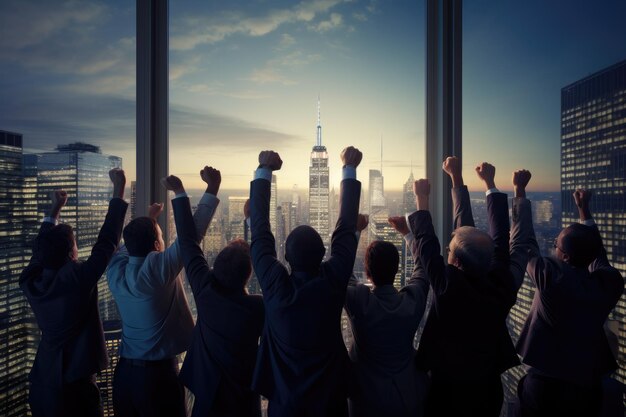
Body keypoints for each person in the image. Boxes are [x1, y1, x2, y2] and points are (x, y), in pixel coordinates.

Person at [411, 158, 534, 417]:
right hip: (485, 387)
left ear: (454, 261)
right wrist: (454, 184)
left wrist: (426, 196)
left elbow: (426, 243)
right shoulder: (500, 285)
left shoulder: (448, 287)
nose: (446, 251)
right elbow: (500, 237)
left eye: (449, 251)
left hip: (446, 389)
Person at [249, 148, 362, 417]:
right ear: (323, 255)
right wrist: (349, 167)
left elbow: (260, 234)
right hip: (330, 403)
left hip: (284, 404)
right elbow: (346, 232)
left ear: (285, 257)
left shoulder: (277, 286)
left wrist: (264, 169)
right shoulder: (332, 283)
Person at [106, 167, 220, 417]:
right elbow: (192, 236)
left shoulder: (115, 269)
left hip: (124, 376)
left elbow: (132, 245)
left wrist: (151, 221)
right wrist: (201, 188)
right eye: (160, 238)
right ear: (158, 245)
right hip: (157, 378)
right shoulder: (156, 271)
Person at [20, 169, 128, 417]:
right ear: (71, 253)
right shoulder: (76, 280)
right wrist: (118, 190)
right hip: (76, 387)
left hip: (43, 385)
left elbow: (41, 252)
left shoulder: (31, 281)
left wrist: (54, 212)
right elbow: (107, 242)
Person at [514, 189, 624, 417]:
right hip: (586, 381)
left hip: (545, 382)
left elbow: (524, 241)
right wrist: (584, 211)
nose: (554, 247)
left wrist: (519, 193)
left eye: (557, 244)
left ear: (563, 257)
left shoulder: (551, 278)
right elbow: (598, 256)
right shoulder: (609, 284)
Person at [168, 170, 265, 417]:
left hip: (207, 397)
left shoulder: (206, 291)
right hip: (244, 401)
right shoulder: (258, 307)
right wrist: (253, 221)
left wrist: (180, 192)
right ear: (248, 275)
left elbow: (188, 243)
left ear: (214, 268)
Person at [343, 211, 430, 417]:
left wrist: (356, 231)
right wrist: (408, 234)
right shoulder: (412, 301)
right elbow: (422, 267)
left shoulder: (359, 301)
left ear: (368, 273)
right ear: (397, 270)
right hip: (408, 396)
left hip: (366, 398)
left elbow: (342, 270)